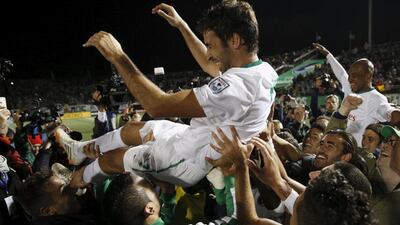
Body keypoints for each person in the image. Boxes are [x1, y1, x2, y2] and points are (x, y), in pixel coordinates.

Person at [57, 1, 278, 188]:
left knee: (114, 158)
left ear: (235, 41)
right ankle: (78, 151)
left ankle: (74, 184)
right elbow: (208, 64)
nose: (209, 54)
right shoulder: (260, 70)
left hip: (190, 160)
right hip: (196, 137)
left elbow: (157, 106)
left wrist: (118, 57)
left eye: (211, 46)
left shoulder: (236, 87)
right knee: (133, 129)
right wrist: (182, 26)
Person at [207, 126, 375, 225]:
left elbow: (249, 220)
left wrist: (241, 165)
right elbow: (285, 184)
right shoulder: (325, 213)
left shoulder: (313, 206)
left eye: (323, 175)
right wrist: (269, 142)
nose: (312, 174)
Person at [313, 43, 400, 147]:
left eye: (354, 75)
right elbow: (341, 73)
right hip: (341, 148)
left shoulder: (377, 98)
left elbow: (387, 111)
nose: (350, 79)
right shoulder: (350, 87)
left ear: (368, 76)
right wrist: (327, 54)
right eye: (350, 75)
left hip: (357, 154)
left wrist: (393, 113)